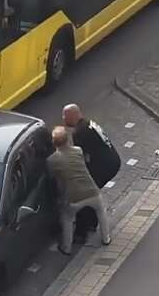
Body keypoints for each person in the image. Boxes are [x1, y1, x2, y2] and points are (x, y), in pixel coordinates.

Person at [47, 126, 111, 256]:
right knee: (101, 212)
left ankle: (66, 247)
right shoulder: (78, 150)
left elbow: (52, 176)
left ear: (54, 143)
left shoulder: (52, 160)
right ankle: (106, 238)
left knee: (67, 218)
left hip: (73, 197)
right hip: (92, 191)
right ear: (68, 139)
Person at [63, 104, 121, 242]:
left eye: (65, 115)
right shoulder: (88, 123)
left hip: (104, 166)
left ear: (73, 116)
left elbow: (83, 158)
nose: (63, 118)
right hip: (112, 161)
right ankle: (91, 222)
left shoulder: (80, 133)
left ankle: (81, 232)